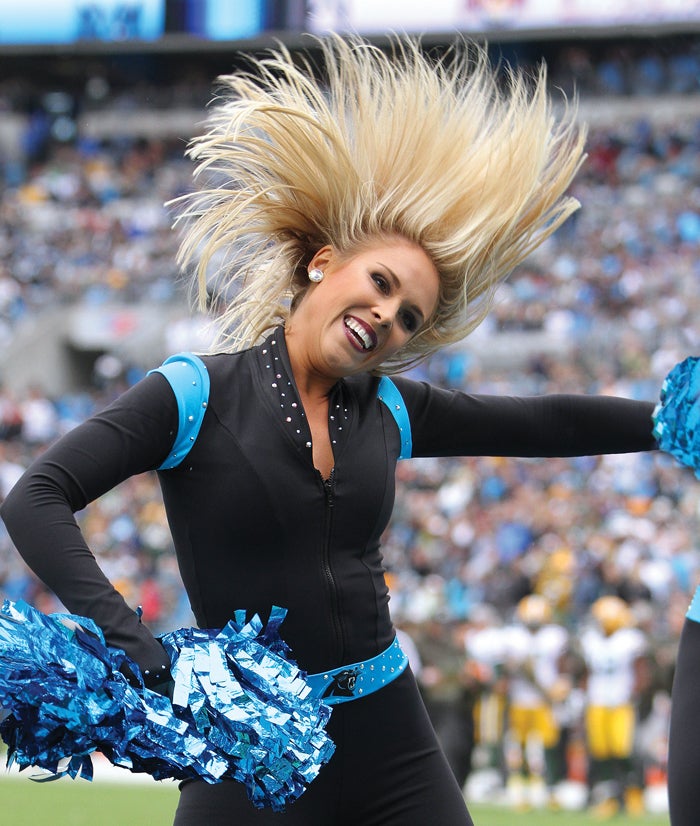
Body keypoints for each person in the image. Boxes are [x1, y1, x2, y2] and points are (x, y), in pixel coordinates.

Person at [0, 35, 661, 825]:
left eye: (407, 316)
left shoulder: (386, 408)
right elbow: (35, 496)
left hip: (391, 734)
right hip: (256, 745)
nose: (386, 315)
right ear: (322, 263)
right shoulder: (193, 394)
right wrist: (142, 656)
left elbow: (540, 419)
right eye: (379, 283)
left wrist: (672, 421)